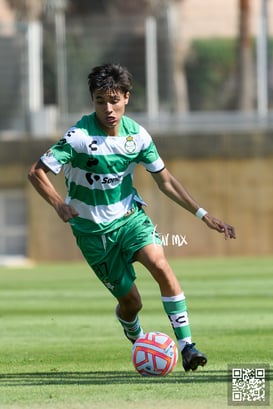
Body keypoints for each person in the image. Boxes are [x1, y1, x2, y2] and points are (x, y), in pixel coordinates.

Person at [28, 63, 236, 373]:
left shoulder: (137, 137)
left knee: (160, 264)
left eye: (114, 100)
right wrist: (59, 204)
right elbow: (36, 172)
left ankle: (187, 345)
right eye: (100, 101)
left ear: (126, 97)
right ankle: (138, 339)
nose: (108, 108)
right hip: (93, 234)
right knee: (132, 304)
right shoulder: (79, 137)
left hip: (129, 220)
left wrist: (203, 214)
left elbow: (165, 180)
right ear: (93, 101)